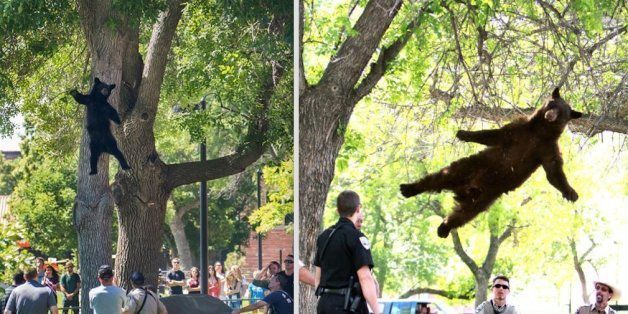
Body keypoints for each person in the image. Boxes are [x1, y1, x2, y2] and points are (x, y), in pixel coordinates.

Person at [314, 190, 379, 314]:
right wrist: (377, 311)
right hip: (347, 305)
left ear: (338, 211)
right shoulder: (356, 238)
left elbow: (318, 278)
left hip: (324, 304)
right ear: (358, 208)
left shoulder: (324, 237)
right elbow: (365, 278)